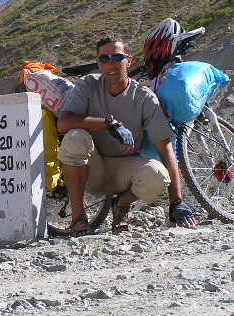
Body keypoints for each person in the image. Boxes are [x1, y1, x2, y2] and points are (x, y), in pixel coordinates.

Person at [56, 35, 197, 235]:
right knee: (75, 137)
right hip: (91, 169)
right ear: (98, 63)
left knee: (157, 176)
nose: (110, 63)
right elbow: (64, 123)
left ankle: (121, 205)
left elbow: (166, 150)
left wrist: (176, 202)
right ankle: (78, 219)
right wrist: (108, 123)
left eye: (117, 57)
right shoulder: (87, 85)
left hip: (125, 170)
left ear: (128, 61)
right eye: (104, 59)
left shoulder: (144, 98)